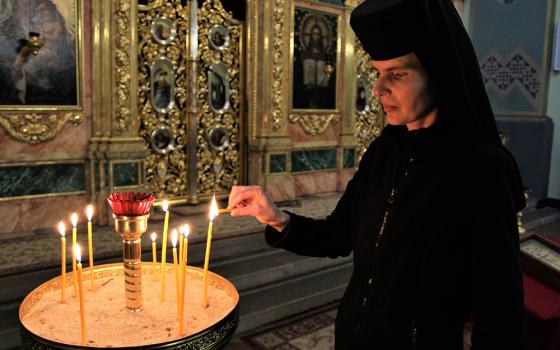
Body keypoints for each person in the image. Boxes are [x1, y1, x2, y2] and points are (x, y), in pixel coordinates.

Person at [228, 0, 526, 349]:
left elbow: (501, 313)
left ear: (439, 73)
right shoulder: (384, 153)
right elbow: (336, 237)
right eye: (377, 73)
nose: (379, 89)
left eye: (397, 74)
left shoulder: (481, 168)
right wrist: (275, 216)